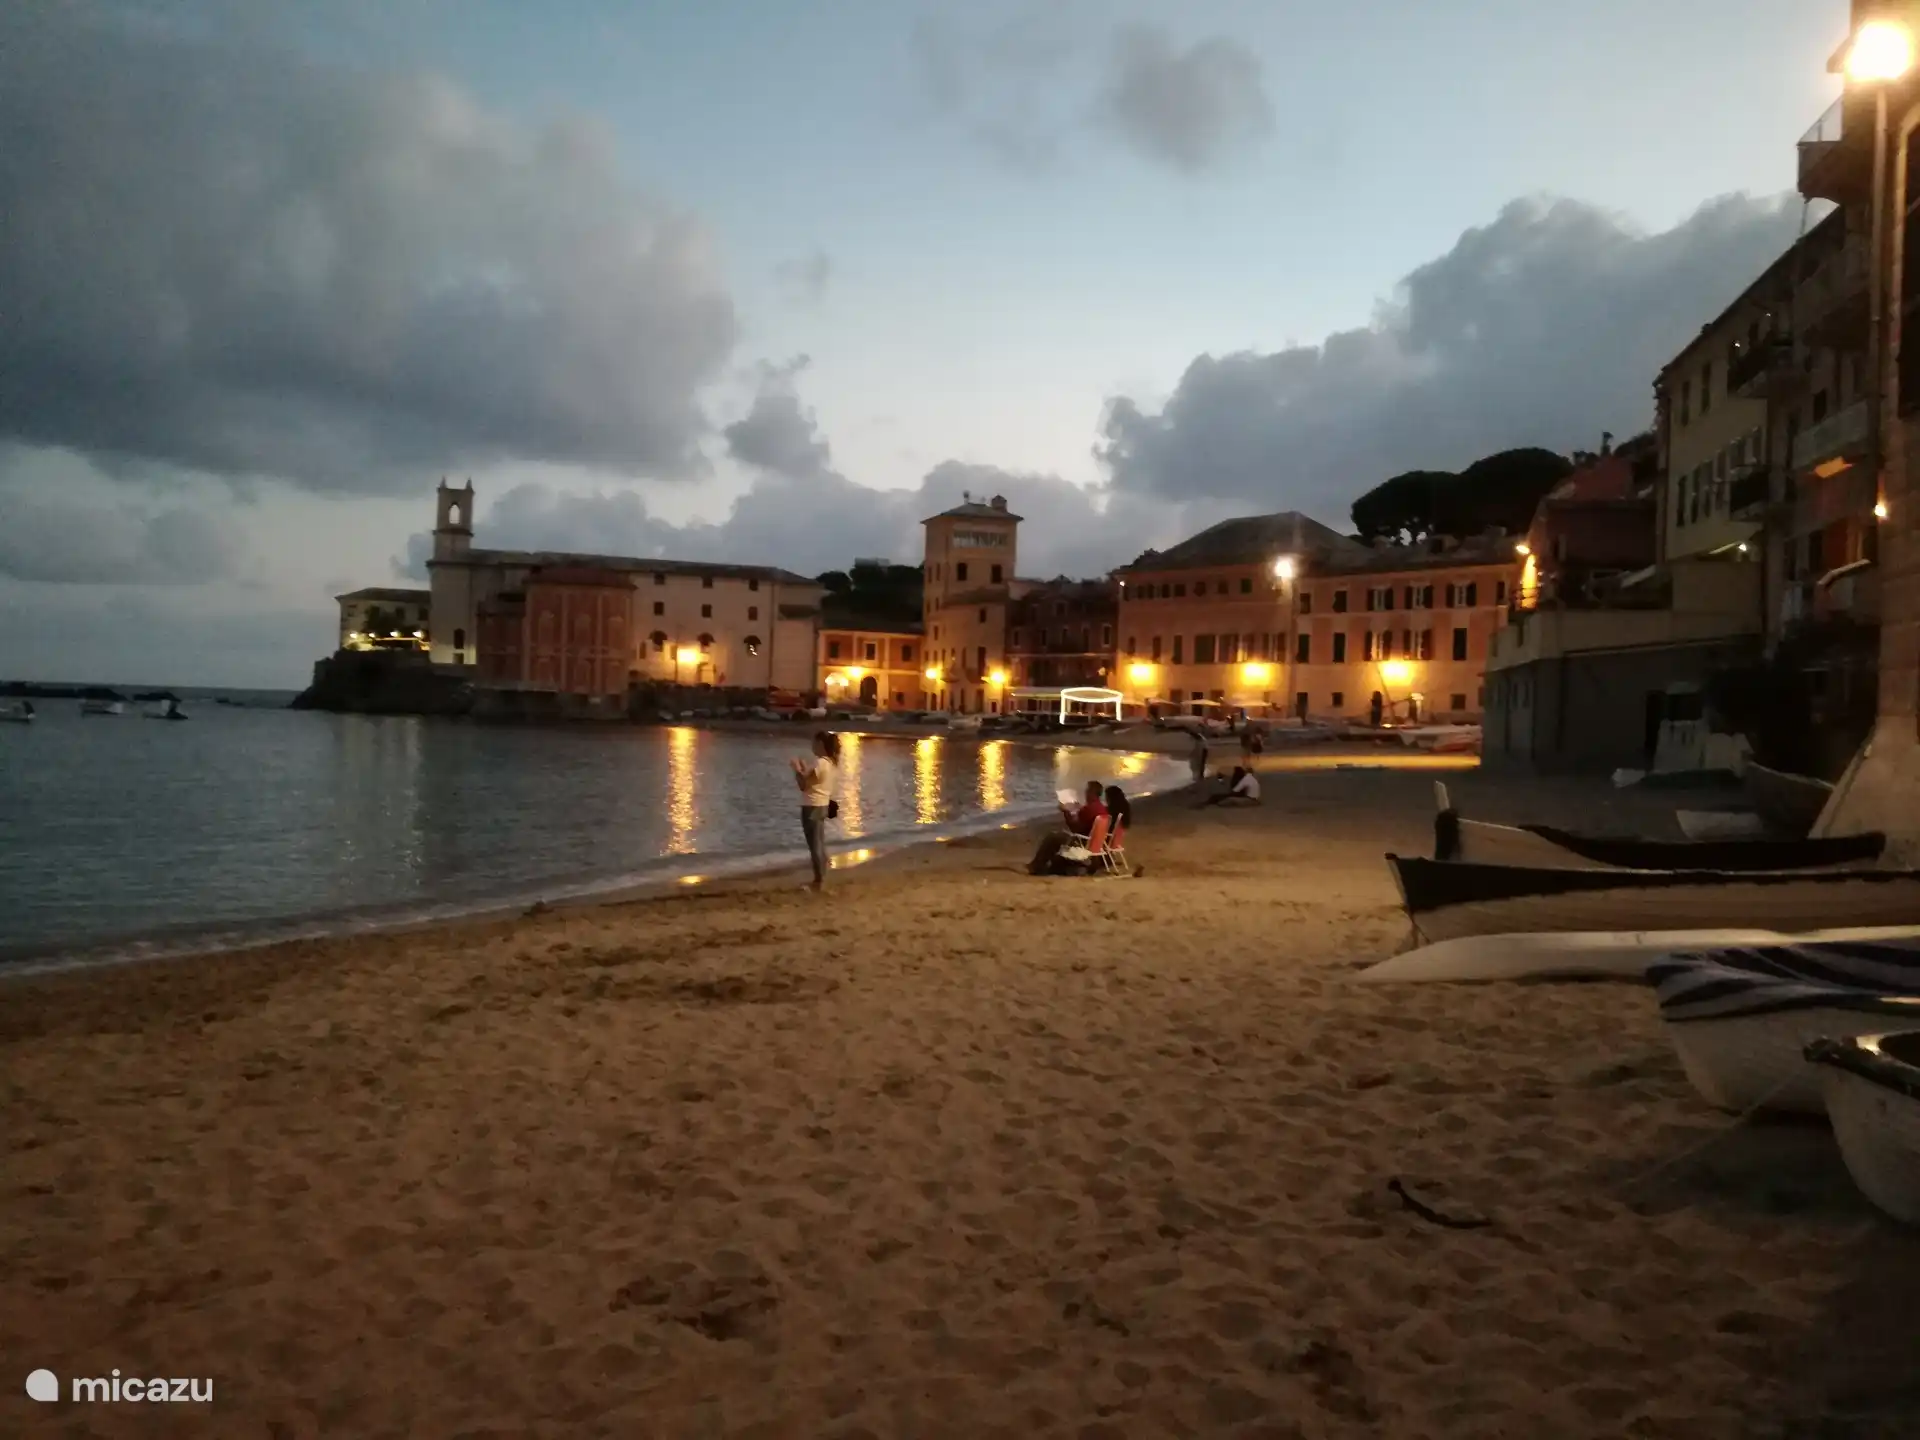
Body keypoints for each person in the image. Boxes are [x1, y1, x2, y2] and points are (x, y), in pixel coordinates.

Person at [791, 731, 840, 890]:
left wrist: (796, 768)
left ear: (820, 744)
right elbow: (813, 781)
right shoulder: (831, 763)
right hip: (822, 805)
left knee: (815, 845)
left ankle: (818, 881)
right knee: (819, 842)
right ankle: (821, 878)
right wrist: (804, 769)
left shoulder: (820, 763)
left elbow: (803, 785)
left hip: (812, 805)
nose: (812, 746)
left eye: (814, 743)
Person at [1028, 780, 1109, 876]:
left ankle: (1037, 866)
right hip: (1094, 843)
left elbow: (1075, 828)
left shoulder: (1088, 809)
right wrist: (1079, 810)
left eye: (1087, 791)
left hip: (1082, 842)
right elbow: (1086, 821)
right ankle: (1042, 865)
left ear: (1091, 793)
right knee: (1057, 836)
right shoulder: (1102, 808)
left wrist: (1065, 812)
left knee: (1053, 837)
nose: (1085, 793)